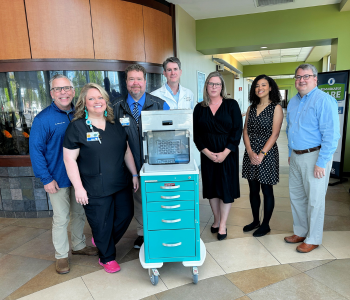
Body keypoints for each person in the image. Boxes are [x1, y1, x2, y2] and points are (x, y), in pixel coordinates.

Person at [63, 83, 139, 273]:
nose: (97, 101)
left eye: (100, 97)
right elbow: (69, 159)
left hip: (120, 182)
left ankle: (103, 239)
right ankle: (107, 258)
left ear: (106, 101)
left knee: (125, 215)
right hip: (94, 186)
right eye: (91, 98)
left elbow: (126, 150)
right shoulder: (77, 128)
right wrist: (79, 188)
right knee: (102, 222)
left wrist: (134, 174)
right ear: (84, 104)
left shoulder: (115, 125)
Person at [29, 74, 98, 275]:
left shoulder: (81, 114)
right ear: (52, 93)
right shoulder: (43, 119)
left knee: (79, 214)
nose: (63, 92)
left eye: (66, 88)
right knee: (61, 218)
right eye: (58, 89)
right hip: (57, 178)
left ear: (73, 91)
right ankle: (61, 256)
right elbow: (36, 151)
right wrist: (46, 178)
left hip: (79, 177)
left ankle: (78, 246)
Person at [113, 64, 170, 249]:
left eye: (139, 79)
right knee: (137, 200)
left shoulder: (160, 104)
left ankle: (160, 230)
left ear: (145, 82)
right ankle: (142, 233)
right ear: (126, 82)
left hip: (155, 163)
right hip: (127, 165)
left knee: (157, 198)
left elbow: (171, 133)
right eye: (131, 79)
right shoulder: (115, 107)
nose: (135, 83)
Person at [285, 63, 340, 253]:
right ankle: (300, 231)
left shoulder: (324, 101)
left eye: (306, 76)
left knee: (315, 200)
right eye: (298, 77)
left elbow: (331, 135)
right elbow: (290, 128)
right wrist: (291, 152)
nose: (301, 80)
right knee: (297, 196)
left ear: (315, 79)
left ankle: (314, 238)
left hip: (316, 156)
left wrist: (321, 162)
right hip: (296, 156)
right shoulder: (293, 101)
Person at [193, 71, 242, 241]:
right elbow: (196, 135)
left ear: (222, 87)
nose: (214, 87)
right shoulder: (199, 108)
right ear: (206, 86)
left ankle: (223, 224)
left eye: (217, 84)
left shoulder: (231, 105)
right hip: (207, 155)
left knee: (225, 189)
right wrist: (207, 153)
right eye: (210, 83)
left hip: (227, 154)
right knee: (212, 189)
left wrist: (225, 153)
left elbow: (236, 131)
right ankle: (216, 219)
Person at [242, 75, 283, 237]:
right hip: (251, 152)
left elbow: (275, 134)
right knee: (253, 189)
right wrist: (251, 152)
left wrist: (261, 154)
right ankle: (255, 221)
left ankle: (265, 224)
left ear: (270, 87)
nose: (260, 88)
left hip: (267, 153)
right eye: (257, 85)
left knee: (266, 189)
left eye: (264, 85)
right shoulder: (251, 108)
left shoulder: (276, 108)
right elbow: (245, 131)